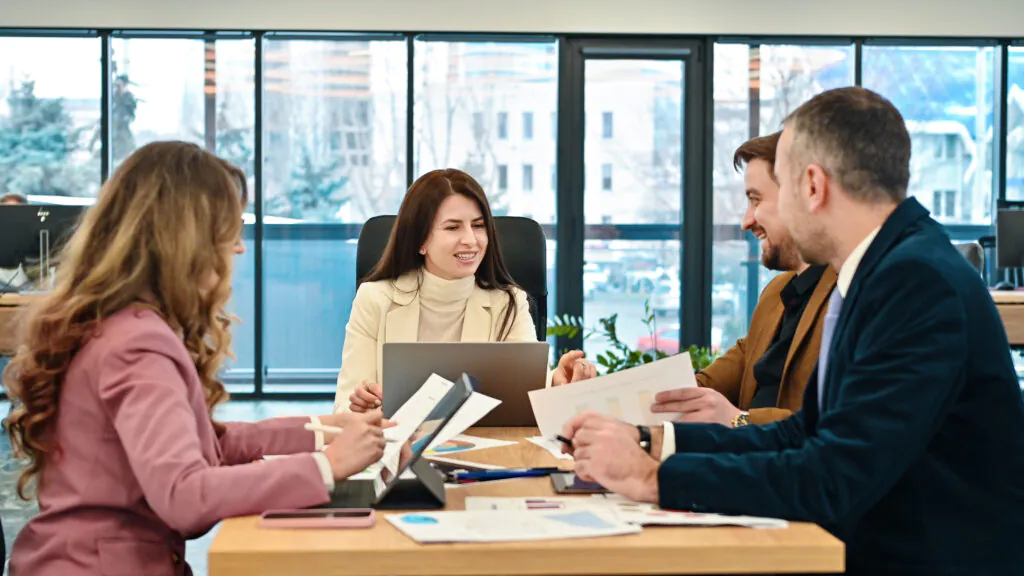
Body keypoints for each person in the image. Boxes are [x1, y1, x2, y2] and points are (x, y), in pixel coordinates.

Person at [559, 87, 1024, 575]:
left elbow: (833, 476)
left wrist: (653, 479)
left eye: (776, 185)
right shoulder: (882, 268)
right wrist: (654, 441)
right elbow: (807, 433)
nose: (752, 217)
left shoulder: (915, 282)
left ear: (812, 185)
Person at [4, 142, 389, 575]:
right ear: (186, 240)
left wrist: (322, 432)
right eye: (229, 231)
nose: (239, 250)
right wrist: (328, 465)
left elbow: (203, 443)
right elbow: (184, 495)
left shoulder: (117, 324)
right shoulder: (137, 344)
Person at [559, 132, 837, 428]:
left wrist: (738, 420)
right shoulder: (777, 294)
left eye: (755, 200)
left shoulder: (849, 296)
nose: (746, 221)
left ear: (806, 194)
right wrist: (592, 396)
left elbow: (838, 427)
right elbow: (696, 388)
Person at [336, 168, 593, 413]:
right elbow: (345, 408)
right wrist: (359, 407)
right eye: (452, 227)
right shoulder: (375, 299)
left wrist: (557, 384)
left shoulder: (508, 302)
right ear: (420, 240)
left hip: (482, 452)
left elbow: (527, 392)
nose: (471, 239)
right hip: (395, 450)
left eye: (479, 226)